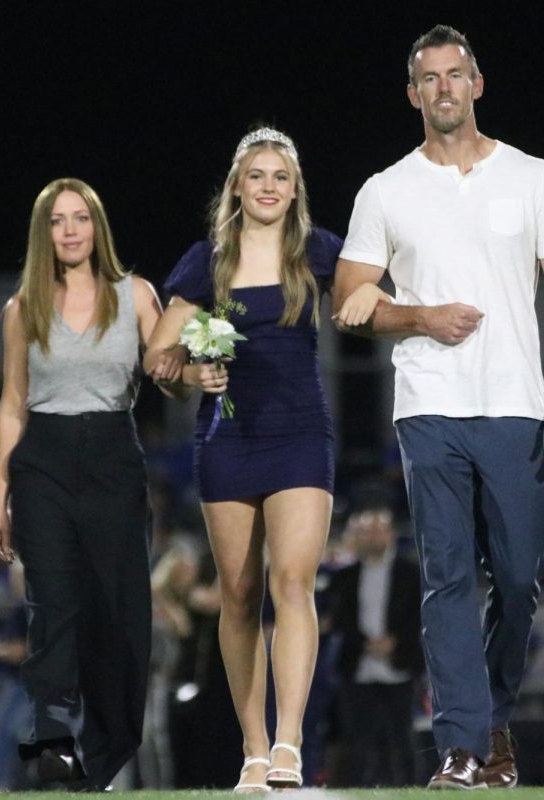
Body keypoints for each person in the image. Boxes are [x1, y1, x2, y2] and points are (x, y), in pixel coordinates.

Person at [332, 24, 544, 789]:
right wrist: (419, 317)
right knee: (448, 573)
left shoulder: (532, 176)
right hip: (429, 404)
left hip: (516, 403)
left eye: (456, 74)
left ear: (476, 83)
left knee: (518, 577)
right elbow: (348, 297)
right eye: (430, 78)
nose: (444, 88)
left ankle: (492, 716)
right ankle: (461, 747)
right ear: (413, 93)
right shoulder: (386, 190)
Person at [144, 127, 383, 791]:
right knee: (240, 595)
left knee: (292, 583)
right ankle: (252, 750)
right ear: (237, 187)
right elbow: (160, 359)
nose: (270, 186)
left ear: (294, 187)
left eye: (281, 176)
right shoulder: (206, 261)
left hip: (301, 434)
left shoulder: (318, 251)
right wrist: (193, 375)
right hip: (227, 439)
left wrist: (402, 312)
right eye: (258, 175)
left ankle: (289, 743)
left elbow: (377, 292)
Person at [0, 178, 166, 790]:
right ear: (45, 233)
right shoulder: (22, 308)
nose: (69, 230)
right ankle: (52, 744)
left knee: (117, 613)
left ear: (97, 227)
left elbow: (169, 376)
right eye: (58, 221)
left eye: (80, 218)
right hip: (43, 465)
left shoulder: (136, 294)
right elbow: (12, 404)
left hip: (115, 461)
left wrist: (199, 372)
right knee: (53, 608)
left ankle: (105, 749)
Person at [328, 501, 423, 786]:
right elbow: (340, 617)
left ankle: (411, 790)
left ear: (391, 534)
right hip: (358, 664)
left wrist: (395, 642)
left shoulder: (411, 573)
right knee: (356, 739)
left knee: (403, 737)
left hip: (401, 663)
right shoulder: (344, 576)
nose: (374, 536)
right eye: (367, 530)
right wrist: (367, 644)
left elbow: (419, 614)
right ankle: (354, 791)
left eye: (379, 529)